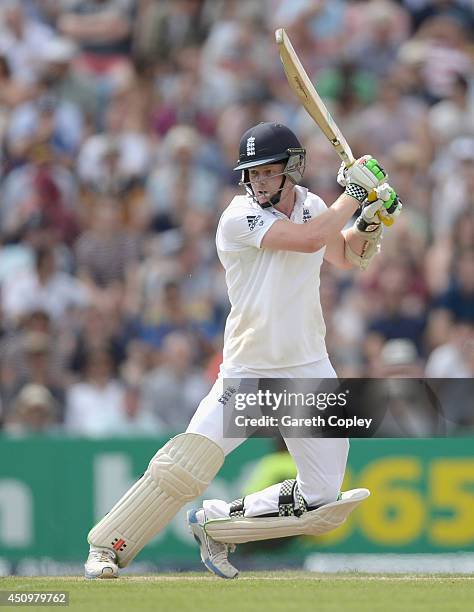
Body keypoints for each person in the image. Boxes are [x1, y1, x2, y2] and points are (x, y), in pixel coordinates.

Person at [84, 121, 401, 580]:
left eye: (269, 173)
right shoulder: (238, 218)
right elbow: (307, 241)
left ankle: (217, 522)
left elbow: (345, 255)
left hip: (309, 367)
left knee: (323, 495)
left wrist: (369, 221)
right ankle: (106, 548)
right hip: (249, 372)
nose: (259, 183)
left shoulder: (313, 205)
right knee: (183, 468)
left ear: (292, 169)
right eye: (252, 174)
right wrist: (356, 193)